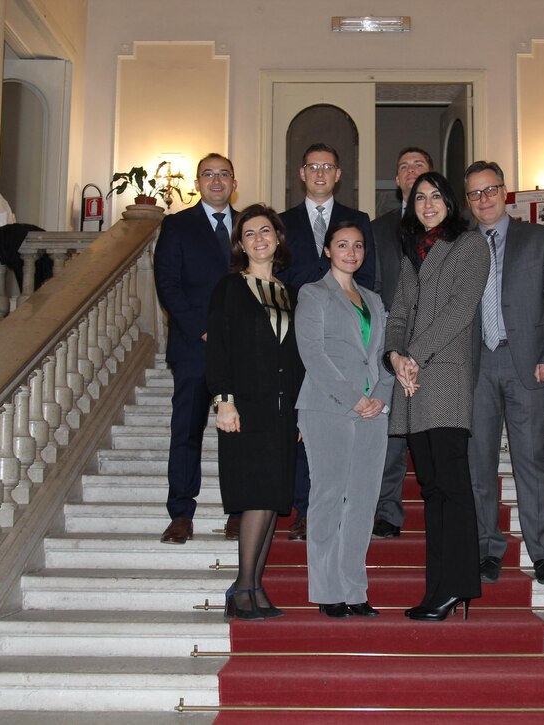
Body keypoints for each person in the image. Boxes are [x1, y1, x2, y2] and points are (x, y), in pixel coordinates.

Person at [384, 172, 490, 622]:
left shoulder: (469, 246)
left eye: (435, 196)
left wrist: (413, 355)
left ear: (450, 202)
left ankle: (456, 586)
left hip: (443, 380)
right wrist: (393, 355)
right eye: (419, 197)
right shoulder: (412, 255)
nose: (427, 204)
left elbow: (459, 312)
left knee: (451, 487)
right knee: (431, 490)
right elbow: (399, 312)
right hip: (410, 382)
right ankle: (439, 589)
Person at [464, 161, 544, 587]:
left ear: (505, 192)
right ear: (468, 201)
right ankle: (487, 549)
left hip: (526, 363)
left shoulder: (539, 238)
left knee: (530, 459)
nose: (483, 199)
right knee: (479, 465)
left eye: (489, 190)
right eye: (474, 194)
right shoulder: (460, 247)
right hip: (476, 366)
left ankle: (543, 554)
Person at [207, 204, 304, 619]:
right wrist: (223, 400)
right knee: (257, 497)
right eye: (250, 233)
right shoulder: (230, 288)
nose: (259, 238)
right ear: (240, 244)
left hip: (282, 410)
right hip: (245, 407)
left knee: (273, 498)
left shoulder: (289, 293)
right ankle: (241, 587)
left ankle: (255, 587)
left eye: (266, 231)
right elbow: (218, 349)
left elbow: (298, 357)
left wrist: (301, 412)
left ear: (278, 238)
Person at [278, 143, 376, 541]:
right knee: (308, 424)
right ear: (302, 173)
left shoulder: (357, 219)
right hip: (300, 339)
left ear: (339, 175)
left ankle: (349, 505)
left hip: (348, 340)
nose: (320, 173)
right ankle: (305, 507)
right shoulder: (281, 221)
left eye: (328, 167)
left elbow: (369, 279)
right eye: (313, 166)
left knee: (349, 427)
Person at [296, 221, 394, 618]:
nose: (351, 252)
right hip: (326, 407)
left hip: (373, 412)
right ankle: (327, 590)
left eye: (357, 246)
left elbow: (386, 355)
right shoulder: (313, 294)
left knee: (363, 503)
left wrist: (380, 398)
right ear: (327, 250)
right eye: (342, 245)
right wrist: (354, 398)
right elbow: (313, 355)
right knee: (328, 498)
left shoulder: (372, 298)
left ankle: (354, 588)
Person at [153, 153, 241, 545]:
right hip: (194, 347)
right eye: (209, 174)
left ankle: (238, 512)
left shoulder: (251, 226)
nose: (217, 181)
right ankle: (181, 514)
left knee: (238, 433)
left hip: (242, 349)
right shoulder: (177, 226)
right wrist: (203, 329)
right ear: (198, 182)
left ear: (234, 182)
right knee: (186, 432)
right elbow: (167, 285)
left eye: (224, 174)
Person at [371, 147, 433, 540]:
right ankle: (386, 512)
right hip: (393, 344)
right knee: (392, 436)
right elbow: (373, 286)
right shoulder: (378, 229)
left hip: (443, 348)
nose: (411, 171)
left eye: (419, 166)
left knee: (434, 435)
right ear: (396, 180)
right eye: (403, 166)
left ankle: (441, 513)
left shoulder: (453, 228)